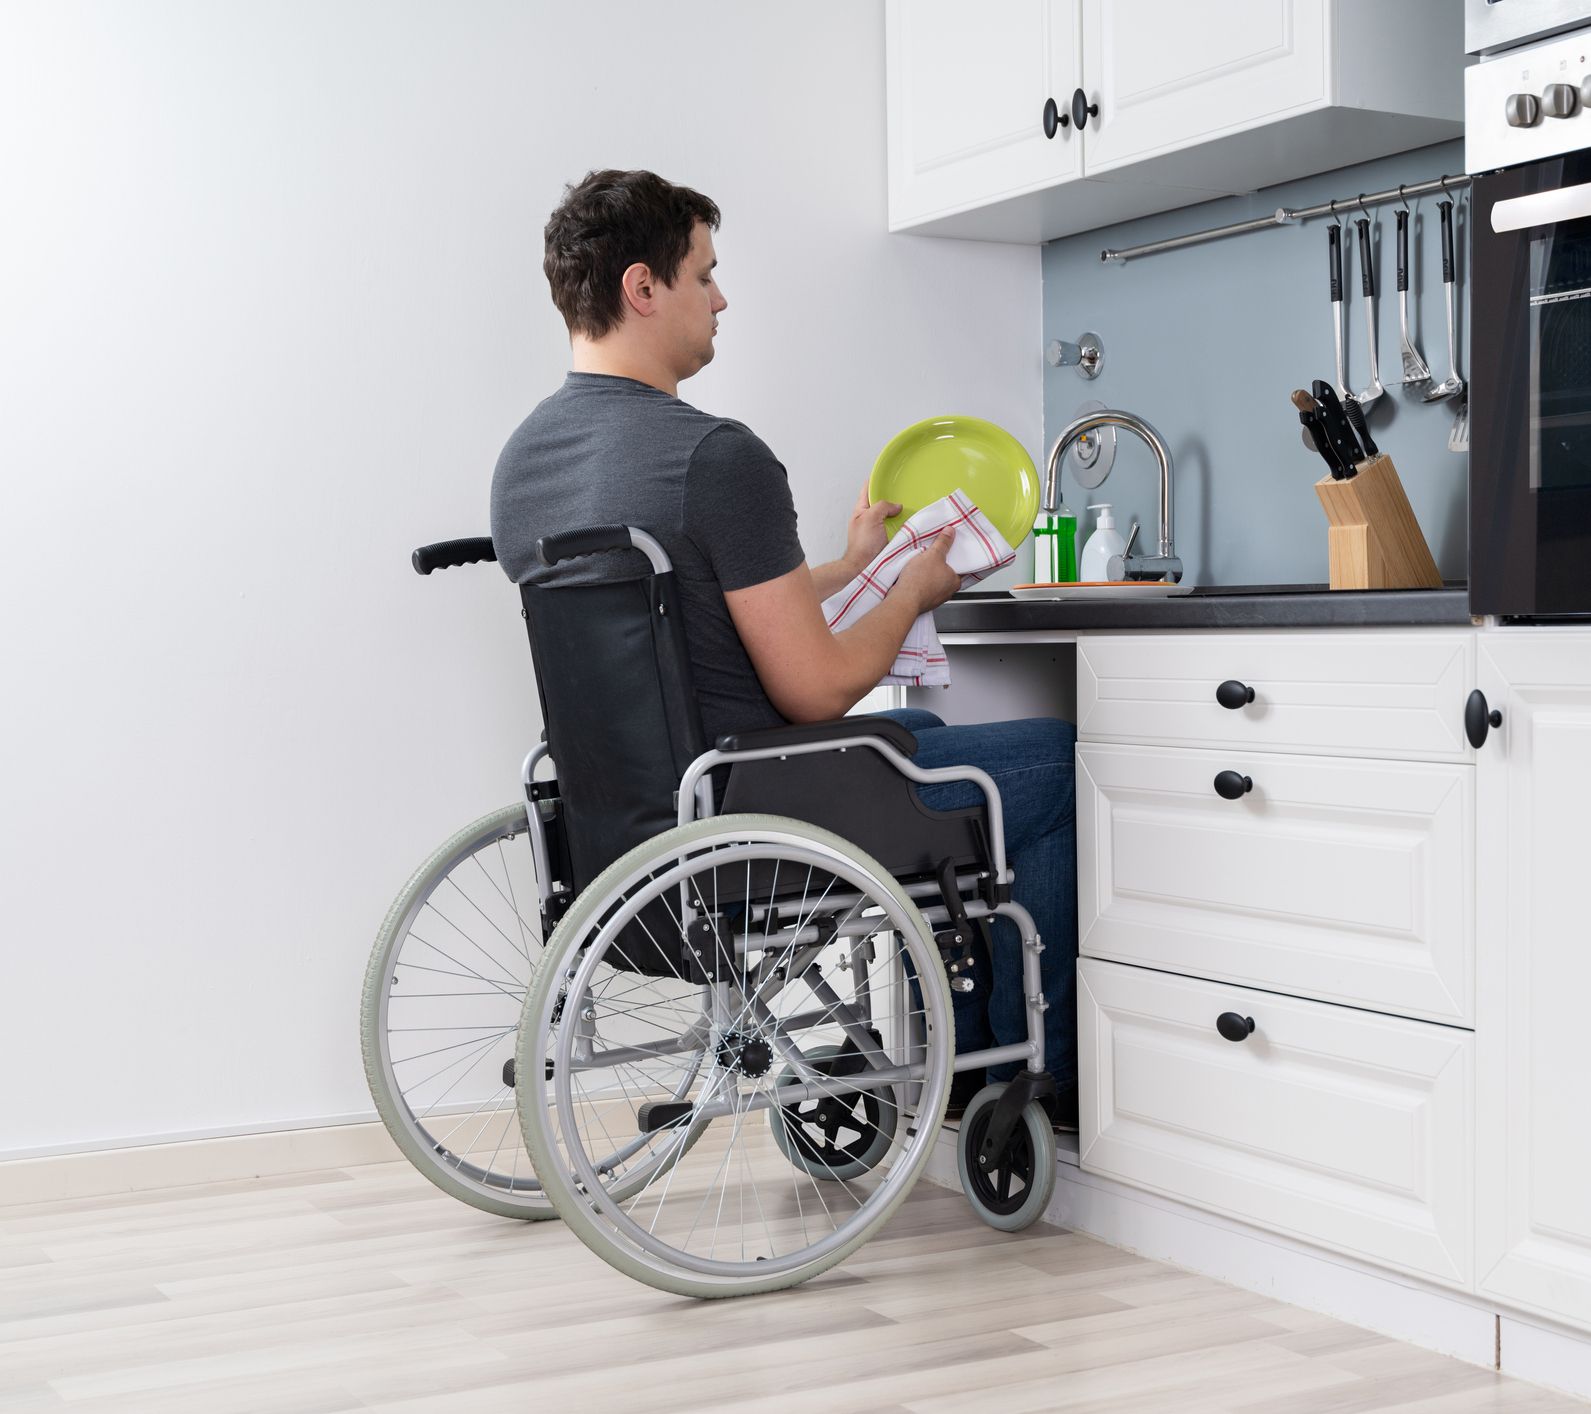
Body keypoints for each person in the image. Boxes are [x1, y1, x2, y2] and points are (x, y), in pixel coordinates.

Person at [490, 169, 1077, 1119]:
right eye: (704, 275)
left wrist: (849, 571)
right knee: (1051, 759)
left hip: (636, 826)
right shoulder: (714, 456)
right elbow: (818, 691)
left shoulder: (525, 464)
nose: (721, 299)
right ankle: (1018, 1083)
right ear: (643, 288)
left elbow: (681, 611)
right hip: (764, 811)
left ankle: (967, 1070)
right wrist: (920, 583)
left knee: (931, 750)